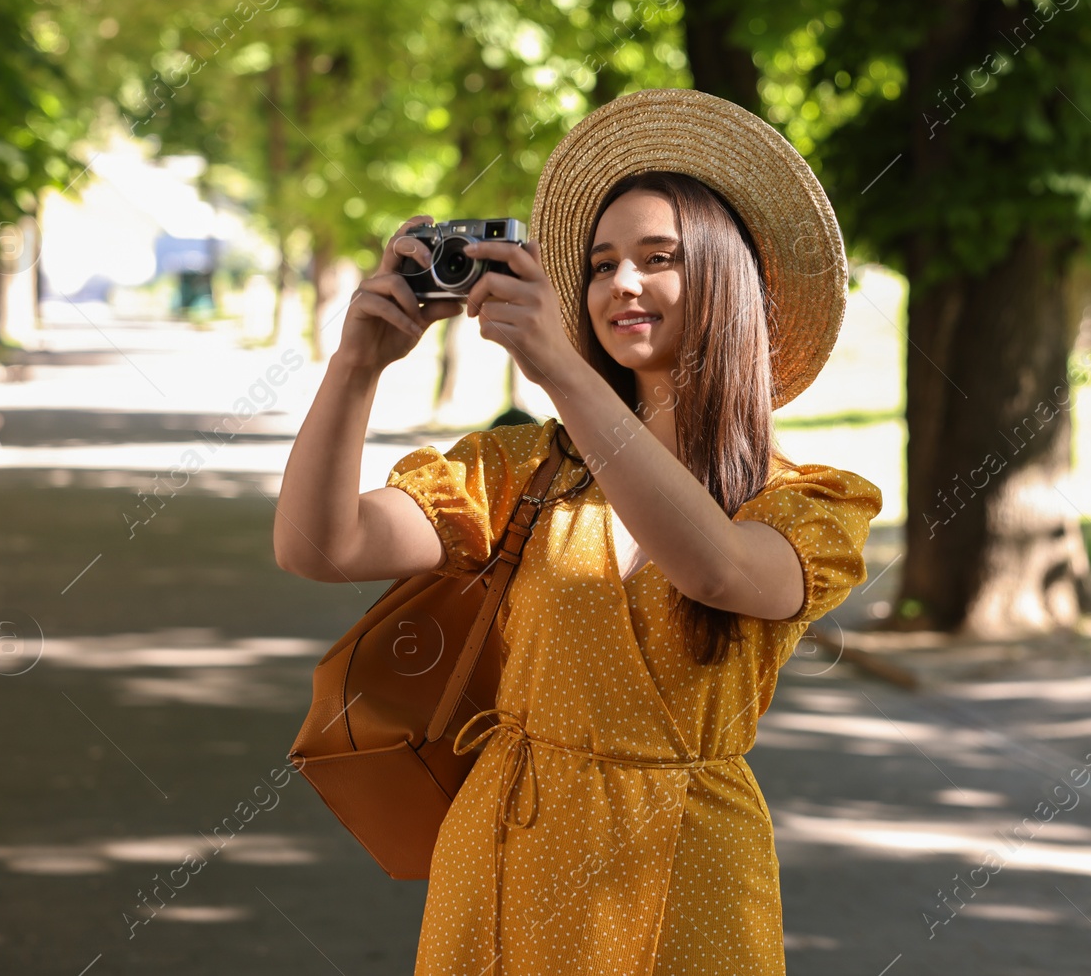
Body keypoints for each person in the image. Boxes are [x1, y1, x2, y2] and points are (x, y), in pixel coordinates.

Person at [274, 88, 884, 976]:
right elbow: (317, 546)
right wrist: (355, 367)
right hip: (505, 856)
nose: (621, 284)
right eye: (599, 265)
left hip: (691, 870)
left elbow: (714, 569)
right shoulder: (525, 468)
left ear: (727, 278)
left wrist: (558, 367)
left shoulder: (808, 502)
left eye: (658, 257)